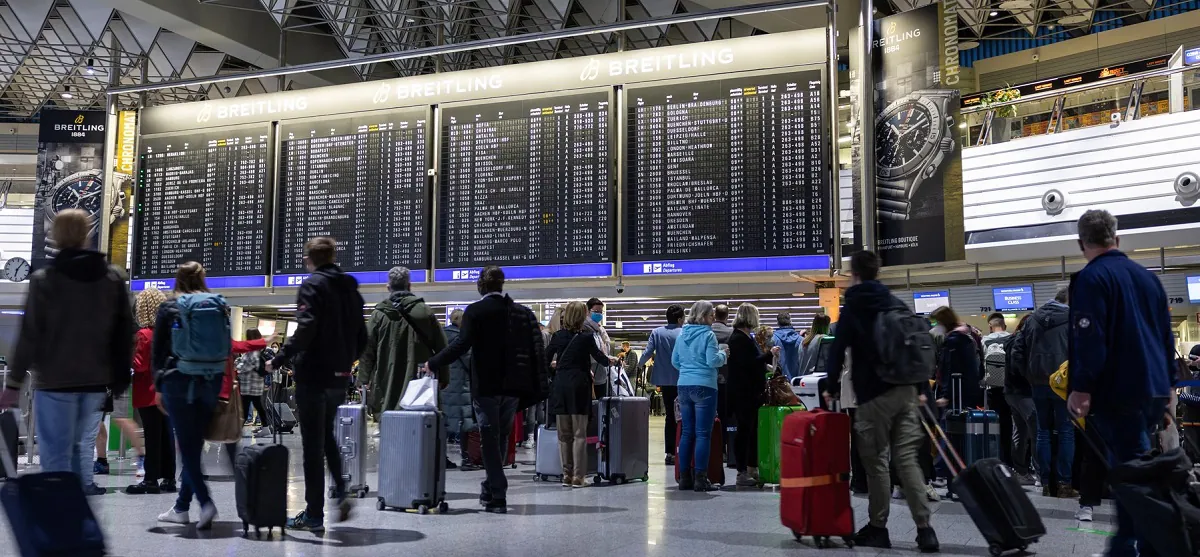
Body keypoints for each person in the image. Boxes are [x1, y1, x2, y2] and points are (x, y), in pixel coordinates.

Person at [0, 209, 133, 498]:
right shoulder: (112, 278)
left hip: (55, 383)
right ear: (87, 234)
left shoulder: (45, 279)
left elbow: (30, 335)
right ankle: (81, 525)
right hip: (96, 383)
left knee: (56, 458)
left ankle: (62, 524)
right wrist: (120, 377)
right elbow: (124, 332)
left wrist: (13, 383)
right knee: (80, 449)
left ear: (56, 236)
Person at [1066, 209, 1174, 557]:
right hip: (1153, 388)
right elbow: (1165, 339)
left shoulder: (1090, 279)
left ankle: (1132, 547)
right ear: (1117, 238)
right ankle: (1134, 544)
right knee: (1132, 468)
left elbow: (1090, 339)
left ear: (1081, 243)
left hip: (1119, 391)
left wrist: (1081, 389)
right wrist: (1169, 389)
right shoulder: (1148, 278)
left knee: (1129, 473)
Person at [824, 251, 939, 552]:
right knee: (907, 460)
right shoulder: (894, 301)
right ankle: (925, 530)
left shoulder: (855, 305)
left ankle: (878, 527)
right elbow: (912, 345)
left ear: (854, 273)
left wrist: (830, 384)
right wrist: (918, 387)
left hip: (873, 395)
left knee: (876, 463)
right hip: (906, 392)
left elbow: (838, 348)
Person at [425, 266, 546, 514]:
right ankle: (490, 487)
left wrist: (433, 362)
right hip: (512, 386)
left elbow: (461, 344)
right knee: (500, 436)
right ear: (501, 285)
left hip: (486, 386)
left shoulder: (476, 311)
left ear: (481, 285)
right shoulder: (519, 312)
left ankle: (498, 492)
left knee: (489, 438)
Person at [268, 237, 367, 531]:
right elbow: (362, 336)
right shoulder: (351, 289)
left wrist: (281, 356)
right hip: (339, 377)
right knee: (326, 435)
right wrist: (346, 361)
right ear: (333, 256)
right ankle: (341, 489)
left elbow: (307, 326)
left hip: (313, 375)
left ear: (309, 258)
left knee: (312, 447)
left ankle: (313, 514)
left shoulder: (312, 285)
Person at [149, 261, 231, 528]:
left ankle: (206, 504)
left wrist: (159, 386)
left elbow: (158, 351)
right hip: (211, 380)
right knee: (193, 446)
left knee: (188, 448)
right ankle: (181, 507)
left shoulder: (170, 306)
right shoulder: (218, 305)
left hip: (179, 381)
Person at [1011, 285, 1075, 498]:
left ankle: (1045, 482)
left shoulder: (1031, 319)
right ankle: (1065, 483)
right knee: (1066, 432)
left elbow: (1017, 351)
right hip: (1063, 384)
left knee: (1042, 432)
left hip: (1037, 383)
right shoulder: (1073, 319)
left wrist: (1029, 375)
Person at [545, 301, 617, 487]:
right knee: (579, 434)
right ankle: (578, 477)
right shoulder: (587, 337)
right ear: (582, 317)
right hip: (579, 385)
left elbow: (544, 359)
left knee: (563, 435)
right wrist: (613, 360)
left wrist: (556, 368)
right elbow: (601, 358)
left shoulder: (558, 336)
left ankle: (566, 476)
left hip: (561, 385)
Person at [359, 266, 448, 416]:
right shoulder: (425, 312)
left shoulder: (378, 315)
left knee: (389, 422)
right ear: (409, 285)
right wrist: (444, 377)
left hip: (386, 380)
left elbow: (367, 351)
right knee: (418, 426)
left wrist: (363, 379)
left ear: (388, 287)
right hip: (419, 382)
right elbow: (442, 347)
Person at [671, 300, 728, 493]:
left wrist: (688, 371)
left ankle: (684, 478)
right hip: (705, 386)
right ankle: (701, 479)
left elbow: (675, 361)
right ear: (703, 316)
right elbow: (713, 361)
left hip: (684, 386)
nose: (713, 318)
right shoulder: (708, 335)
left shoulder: (682, 334)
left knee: (687, 433)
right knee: (703, 433)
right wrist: (723, 354)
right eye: (711, 315)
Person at [127, 288, 174, 495]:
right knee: (166, 435)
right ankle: (169, 478)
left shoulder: (144, 335)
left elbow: (140, 366)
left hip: (148, 391)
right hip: (168, 390)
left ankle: (151, 479)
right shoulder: (169, 332)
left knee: (152, 436)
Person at [728, 303, 780, 487]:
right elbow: (749, 363)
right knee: (745, 431)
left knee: (749, 431)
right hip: (745, 392)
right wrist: (768, 355)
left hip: (747, 391)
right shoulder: (739, 339)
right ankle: (743, 471)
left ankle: (750, 468)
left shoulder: (742, 337)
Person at [639, 304, 685, 465]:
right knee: (684, 415)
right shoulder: (685, 332)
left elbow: (648, 352)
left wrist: (638, 365)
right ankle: (683, 450)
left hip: (665, 380)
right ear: (680, 319)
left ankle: (670, 453)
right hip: (683, 379)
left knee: (670, 416)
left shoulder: (657, 332)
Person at [443, 308, 480, 471]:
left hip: (445, 386)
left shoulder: (442, 336)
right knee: (466, 423)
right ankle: (467, 459)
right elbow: (470, 362)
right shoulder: (462, 339)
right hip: (463, 387)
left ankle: (441, 458)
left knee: (443, 424)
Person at [1004, 314, 1038, 486]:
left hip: (1010, 392)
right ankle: (1040, 473)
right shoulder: (1024, 340)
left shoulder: (1010, 339)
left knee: (1019, 432)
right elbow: (1020, 367)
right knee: (1036, 432)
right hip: (1024, 391)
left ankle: (1021, 471)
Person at [930, 306, 983, 412]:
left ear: (944, 322)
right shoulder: (967, 336)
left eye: (937, 323)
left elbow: (951, 368)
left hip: (956, 393)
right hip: (967, 390)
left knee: (953, 424)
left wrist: (946, 395)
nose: (936, 326)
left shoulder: (953, 341)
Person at [981, 313, 1013, 468]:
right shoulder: (1011, 338)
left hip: (992, 389)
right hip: (1009, 388)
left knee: (994, 425)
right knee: (1010, 426)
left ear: (990, 327)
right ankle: (1010, 461)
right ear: (1004, 326)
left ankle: (995, 459)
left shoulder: (985, 341)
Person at [235, 329, 271, 434]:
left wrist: (238, 363)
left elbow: (244, 367)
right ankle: (265, 428)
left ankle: (237, 431)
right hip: (256, 385)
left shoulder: (252, 352)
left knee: (245, 409)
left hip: (249, 386)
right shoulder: (258, 350)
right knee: (258, 406)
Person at [584, 297, 612, 399]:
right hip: (590, 372)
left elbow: (606, 346)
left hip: (601, 373)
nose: (599, 314)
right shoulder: (584, 329)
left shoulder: (599, 329)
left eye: (601, 312)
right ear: (588, 311)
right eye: (596, 311)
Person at [711, 304, 734, 425]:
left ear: (714, 315)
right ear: (727, 316)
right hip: (726, 377)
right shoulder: (731, 333)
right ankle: (723, 440)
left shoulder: (707, 332)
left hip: (708, 377)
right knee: (723, 411)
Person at [797, 314, 832, 378]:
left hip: (803, 379)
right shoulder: (824, 340)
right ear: (826, 326)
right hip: (817, 380)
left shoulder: (803, 342)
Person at [772, 313, 802, 380]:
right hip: (797, 380)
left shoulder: (773, 339)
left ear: (778, 323)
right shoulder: (801, 339)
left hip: (780, 380)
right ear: (790, 321)